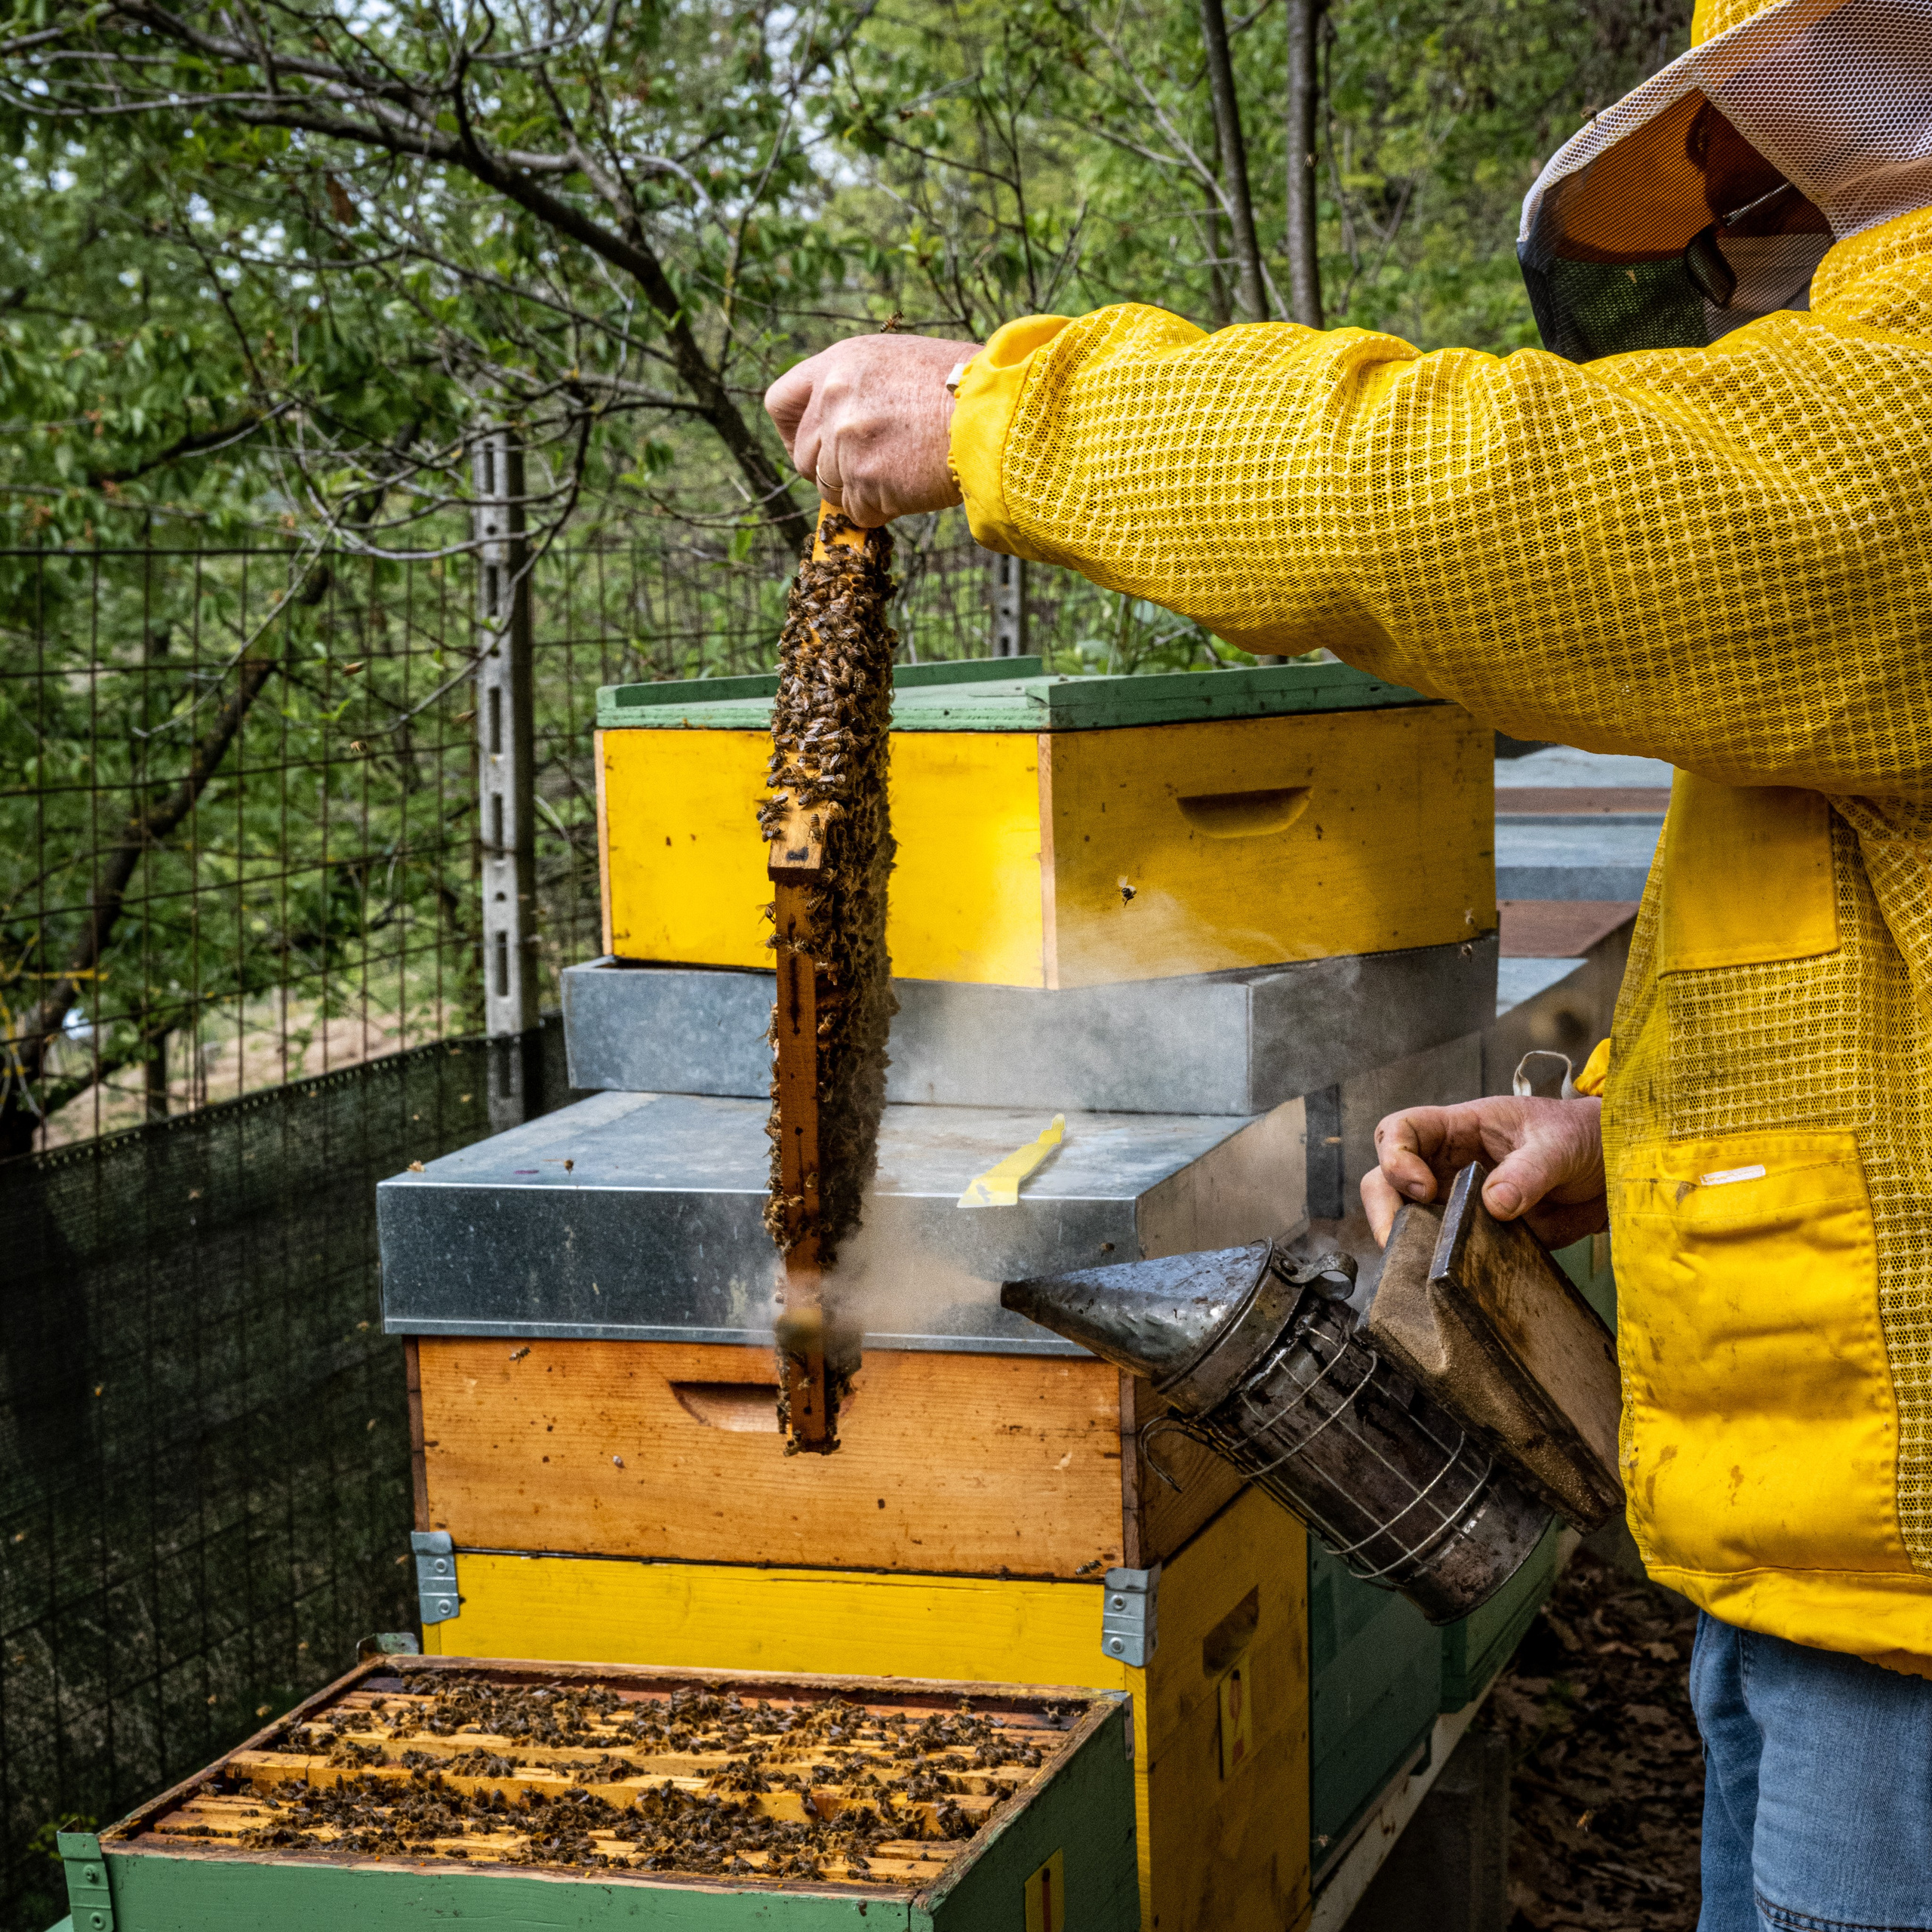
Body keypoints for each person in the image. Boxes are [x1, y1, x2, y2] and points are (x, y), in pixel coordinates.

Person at [765, 0, 1932, 1917]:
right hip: (1831, 1577)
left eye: (1750, 171)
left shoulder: (1898, 440)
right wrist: (1626, 1127)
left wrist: (1004, 411)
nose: (1732, 235)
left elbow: (1483, 496)